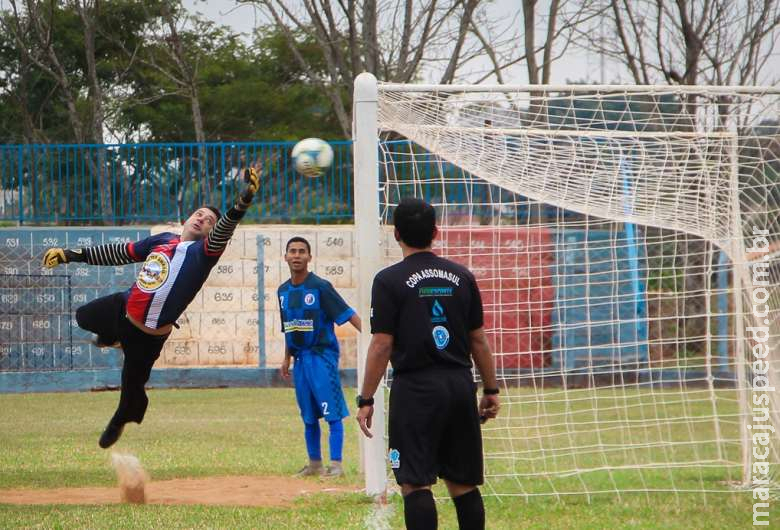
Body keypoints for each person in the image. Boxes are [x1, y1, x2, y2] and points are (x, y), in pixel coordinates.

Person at [41, 163, 263, 449]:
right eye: (198, 214)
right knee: (84, 316)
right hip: (124, 308)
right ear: (186, 218)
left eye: (208, 220)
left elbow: (227, 225)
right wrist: (71, 254)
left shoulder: (205, 252)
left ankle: (119, 421)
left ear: (211, 231)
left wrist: (244, 198)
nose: (202, 219)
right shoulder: (162, 240)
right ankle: (113, 336)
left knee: (131, 392)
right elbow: (120, 253)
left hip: (149, 336)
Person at [356, 197, 500, 530]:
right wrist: (490, 389)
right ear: (436, 232)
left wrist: (366, 398)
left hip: (416, 389)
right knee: (463, 483)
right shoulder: (462, 276)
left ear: (396, 234)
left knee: (416, 483)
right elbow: (478, 339)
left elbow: (382, 344)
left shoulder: (388, 281)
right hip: (460, 385)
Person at [278, 236, 361, 478]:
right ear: (285, 257)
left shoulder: (321, 287)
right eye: (292, 251)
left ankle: (336, 464)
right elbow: (288, 327)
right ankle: (314, 463)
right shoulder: (282, 291)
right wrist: (286, 358)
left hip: (321, 356)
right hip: (300, 359)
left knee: (331, 411)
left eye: (301, 251)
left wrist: (373, 336)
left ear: (309, 257)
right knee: (308, 414)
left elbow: (347, 313)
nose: (296, 255)